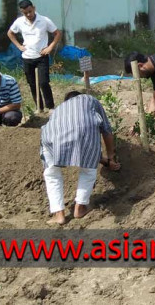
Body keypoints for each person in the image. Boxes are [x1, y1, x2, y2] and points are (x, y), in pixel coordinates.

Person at [41, 91, 121, 225]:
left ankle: (58, 214)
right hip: (84, 131)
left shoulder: (58, 110)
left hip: (49, 135)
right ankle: (80, 207)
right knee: (88, 169)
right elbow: (106, 131)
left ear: (66, 101)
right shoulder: (90, 100)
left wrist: (105, 161)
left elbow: (75, 140)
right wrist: (111, 156)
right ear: (79, 96)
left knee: (52, 174)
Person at [7, 0, 61, 112]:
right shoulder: (19, 22)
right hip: (27, 57)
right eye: (25, 13)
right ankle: (39, 107)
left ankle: (50, 107)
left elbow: (57, 33)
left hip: (42, 56)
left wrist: (50, 47)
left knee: (44, 82)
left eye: (30, 12)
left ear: (34, 8)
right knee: (32, 83)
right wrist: (19, 46)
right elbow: (10, 33)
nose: (28, 15)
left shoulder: (44, 20)